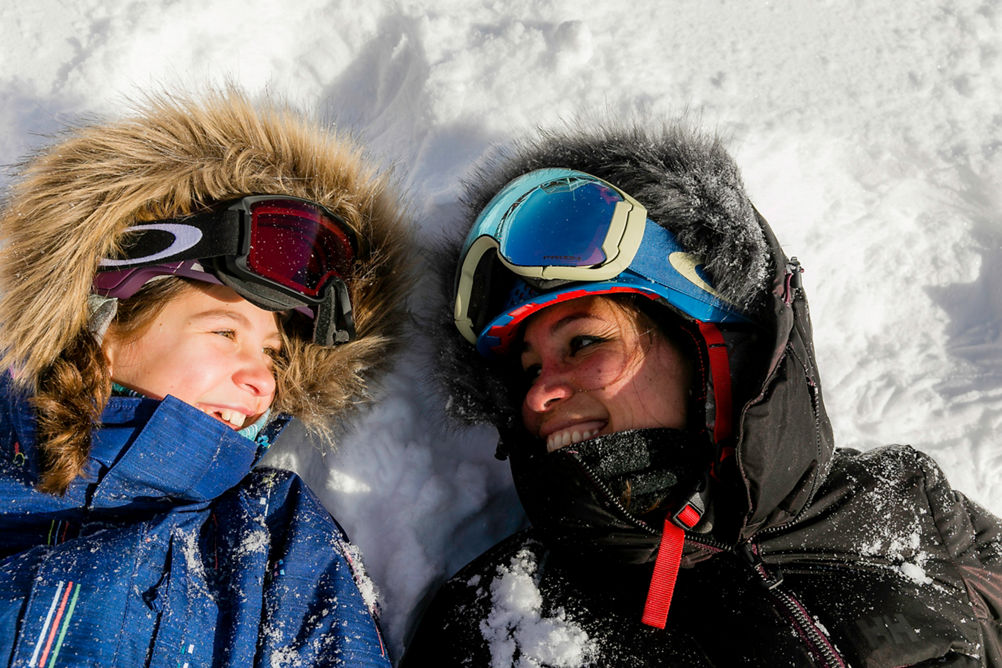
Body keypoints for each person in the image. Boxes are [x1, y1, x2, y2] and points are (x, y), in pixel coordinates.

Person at [402, 125, 1002, 666]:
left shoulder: (905, 501)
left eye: (584, 342)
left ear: (710, 341)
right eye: (528, 371)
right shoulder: (501, 621)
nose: (538, 397)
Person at [0, 90, 410, 666]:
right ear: (103, 322)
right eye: (225, 333)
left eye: (274, 355)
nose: (262, 383)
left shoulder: (269, 545)